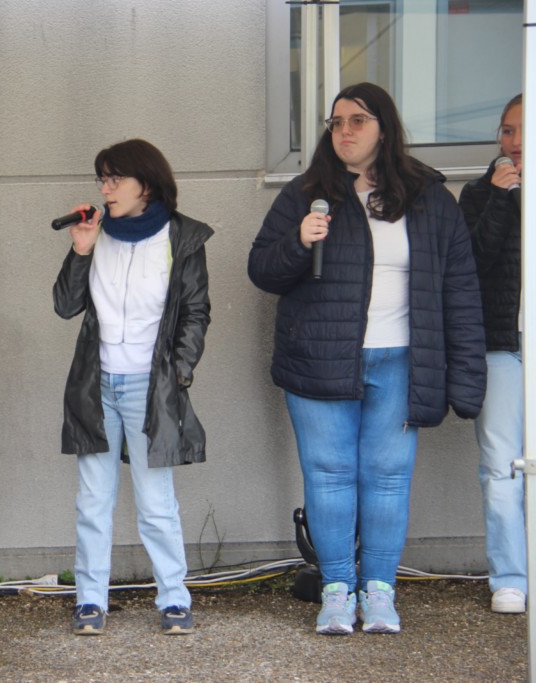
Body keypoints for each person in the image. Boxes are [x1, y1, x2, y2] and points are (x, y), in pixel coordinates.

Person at [248, 82, 486, 635]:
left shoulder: (429, 197)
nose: (345, 131)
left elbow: (460, 290)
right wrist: (299, 241)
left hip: (402, 361)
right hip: (320, 359)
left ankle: (379, 591)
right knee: (329, 476)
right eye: (336, 122)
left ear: (384, 128)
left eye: (358, 120)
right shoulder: (306, 194)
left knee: (388, 478)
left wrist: (466, 377)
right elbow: (262, 270)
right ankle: (337, 590)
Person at [54, 139, 213, 636]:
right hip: (96, 385)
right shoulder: (96, 234)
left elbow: (195, 312)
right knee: (93, 501)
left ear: (146, 184)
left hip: (151, 387)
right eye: (102, 179)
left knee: (156, 502)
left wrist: (179, 372)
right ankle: (90, 600)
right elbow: (65, 305)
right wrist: (80, 249)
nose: (105, 189)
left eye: (115, 179)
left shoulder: (182, 237)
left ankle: (174, 598)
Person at [459, 93, 526, 614]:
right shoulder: (479, 193)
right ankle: (510, 577)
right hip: (502, 345)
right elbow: (472, 265)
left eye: (525, 130)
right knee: (501, 465)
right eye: (507, 130)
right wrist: (503, 199)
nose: (515, 141)